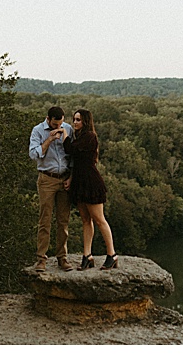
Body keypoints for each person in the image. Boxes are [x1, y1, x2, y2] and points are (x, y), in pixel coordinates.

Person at [64, 108, 117, 270]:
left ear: (86, 121)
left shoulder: (90, 137)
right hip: (79, 182)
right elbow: (76, 161)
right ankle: (87, 256)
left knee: (99, 219)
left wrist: (65, 137)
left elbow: (71, 150)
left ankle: (112, 255)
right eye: (74, 119)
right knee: (85, 220)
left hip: (91, 182)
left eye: (78, 120)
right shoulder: (79, 136)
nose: (74, 122)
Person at [29, 106, 74, 271]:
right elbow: (33, 154)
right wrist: (49, 139)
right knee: (45, 220)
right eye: (55, 125)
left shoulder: (67, 128)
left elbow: (73, 155)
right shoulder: (38, 131)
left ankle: (62, 257)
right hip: (47, 179)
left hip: (64, 179)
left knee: (63, 221)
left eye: (60, 124)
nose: (58, 128)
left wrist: (71, 177)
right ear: (48, 119)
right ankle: (41, 259)